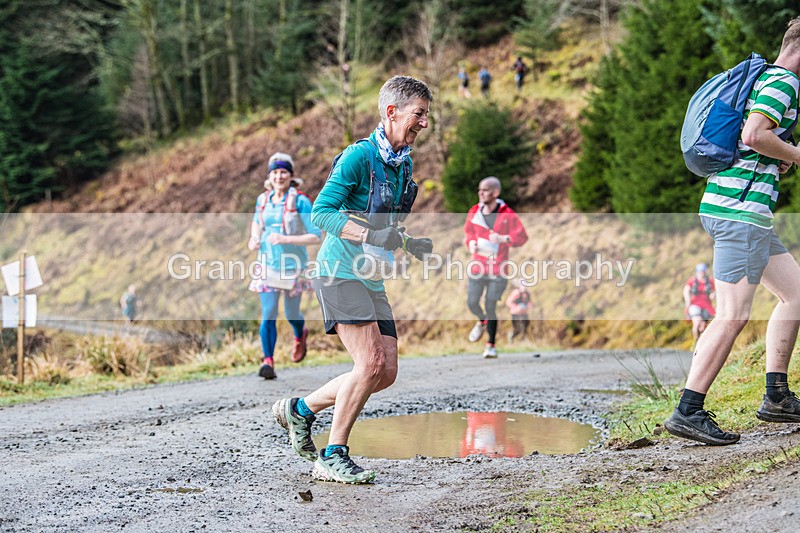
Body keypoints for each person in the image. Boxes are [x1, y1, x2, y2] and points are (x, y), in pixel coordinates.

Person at [272, 75, 434, 483]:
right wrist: (369, 235)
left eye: (427, 116)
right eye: (419, 114)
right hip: (339, 272)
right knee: (370, 361)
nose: (425, 123)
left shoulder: (403, 163)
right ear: (391, 112)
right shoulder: (358, 157)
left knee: (385, 371)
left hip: (370, 276)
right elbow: (321, 213)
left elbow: (384, 222)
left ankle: (301, 409)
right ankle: (333, 453)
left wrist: (408, 241)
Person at [665, 18, 800, 446]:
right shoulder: (784, 83)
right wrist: (796, 155)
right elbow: (754, 134)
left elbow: (752, 143)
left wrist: (779, 157)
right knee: (733, 315)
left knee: (796, 294)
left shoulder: (765, 78)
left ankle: (776, 395)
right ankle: (688, 409)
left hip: (744, 213)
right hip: (740, 214)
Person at [247, 152, 322, 380]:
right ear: (270, 176)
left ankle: (300, 333)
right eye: (275, 172)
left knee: (291, 313)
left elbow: (316, 236)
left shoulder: (300, 200)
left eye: (284, 172)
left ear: (291, 176)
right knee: (268, 312)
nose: (279, 176)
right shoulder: (263, 200)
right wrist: (253, 239)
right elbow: (257, 224)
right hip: (268, 264)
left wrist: (285, 239)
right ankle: (267, 361)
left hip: (293, 267)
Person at [464, 177, 529, 358]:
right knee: (472, 302)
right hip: (478, 266)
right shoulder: (474, 211)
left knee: (490, 303)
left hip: (498, 268)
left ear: (495, 193)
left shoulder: (507, 213)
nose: (480, 193)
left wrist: (504, 239)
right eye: (479, 190)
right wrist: (471, 245)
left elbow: (522, 237)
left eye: (485, 190)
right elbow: (469, 235)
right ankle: (482, 321)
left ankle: (490, 345)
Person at [683, 263, 716, 342]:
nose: (701, 273)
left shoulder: (710, 281)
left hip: (707, 305)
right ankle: (696, 342)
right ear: (697, 272)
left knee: (704, 325)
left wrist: (713, 295)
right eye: (700, 271)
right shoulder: (693, 281)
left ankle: (703, 342)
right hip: (695, 304)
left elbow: (716, 290)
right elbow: (686, 290)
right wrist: (687, 301)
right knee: (697, 322)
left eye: (703, 271)